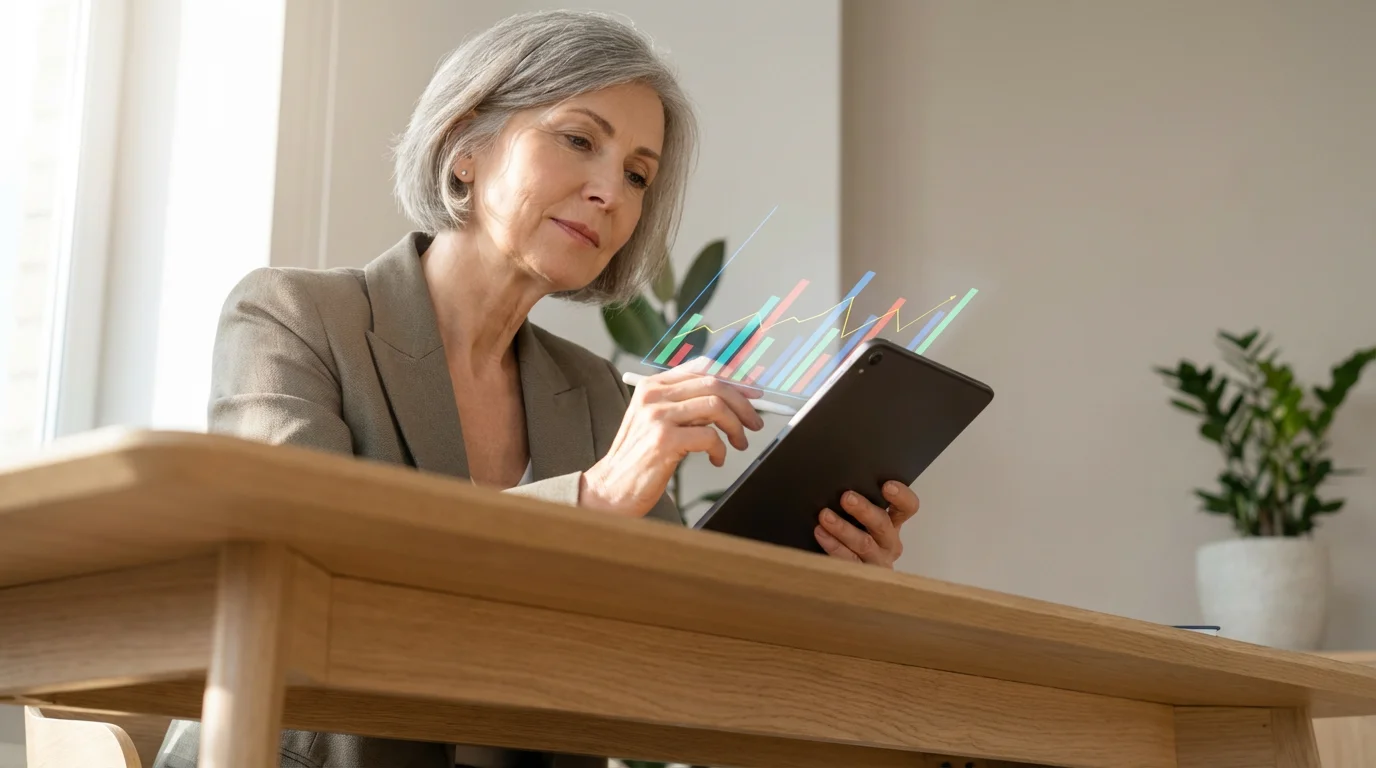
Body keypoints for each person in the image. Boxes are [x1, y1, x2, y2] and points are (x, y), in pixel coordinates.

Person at [153, 9, 920, 768]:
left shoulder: (595, 394)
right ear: (466, 146)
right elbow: (305, 573)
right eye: (579, 139)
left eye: (637, 175)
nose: (609, 192)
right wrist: (589, 501)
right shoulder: (292, 316)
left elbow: (672, 662)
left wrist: (817, 587)